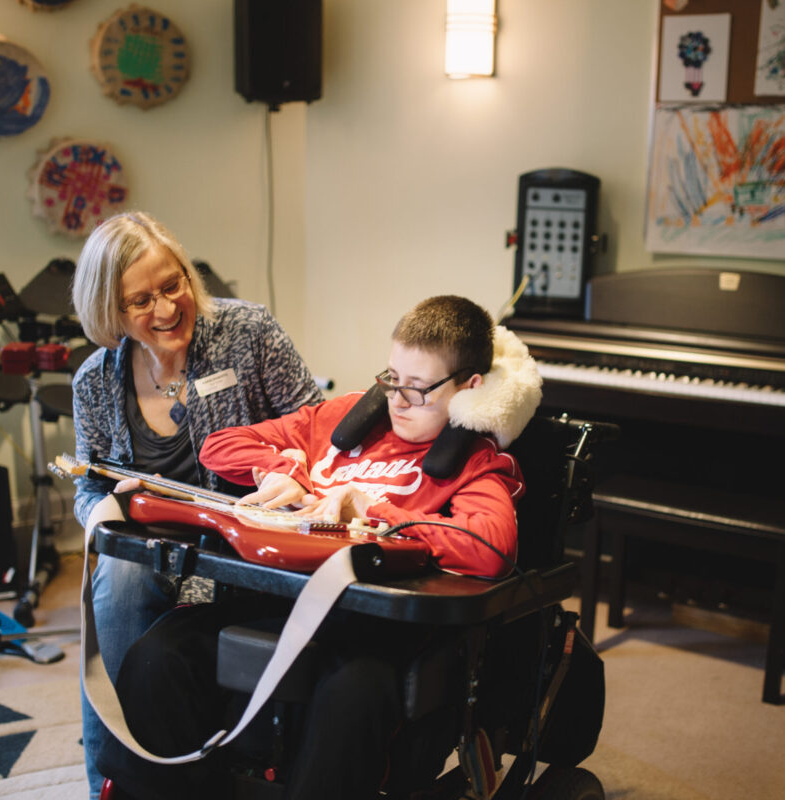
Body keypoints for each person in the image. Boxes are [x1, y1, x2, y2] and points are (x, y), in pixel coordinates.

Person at [101, 295, 544, 800]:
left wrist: (375, 511)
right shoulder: (344, 421)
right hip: (279, 603)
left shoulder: (472, 461)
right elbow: (219, 445)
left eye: (419, 389)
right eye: (392, 378)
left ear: (469, 389)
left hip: (368, 630)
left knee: (349, 697)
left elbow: (488, 547)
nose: (398, 399)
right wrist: (286, 471)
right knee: (159, 655)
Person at [69, 210, 324, 799]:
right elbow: (87, 487)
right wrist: (107, 511)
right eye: (139, 301)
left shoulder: (248, 333)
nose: (164, 309)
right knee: (120, 577)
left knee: (125, 592)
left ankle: (144, 775)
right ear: (110, 312)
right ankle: (118, 780)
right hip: (155, 548)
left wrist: (291, 477)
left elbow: (319, 429)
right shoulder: (93, 381)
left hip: (247, 544)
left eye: (172, 285)